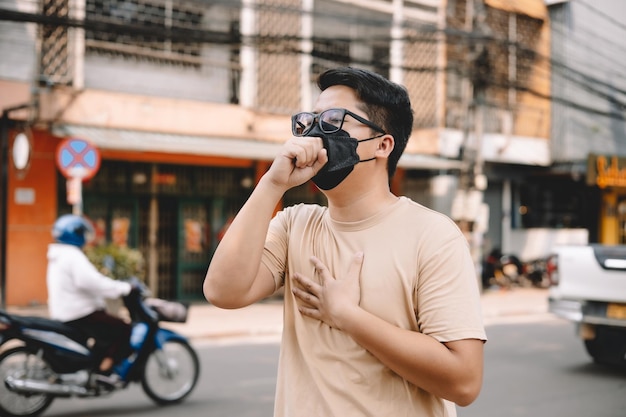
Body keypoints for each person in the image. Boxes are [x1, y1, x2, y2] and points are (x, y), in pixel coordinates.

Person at [203, 67, 487, 416]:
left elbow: (464, 382)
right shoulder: (295, 224)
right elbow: (223, 291)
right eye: (311, 121)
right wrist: (272, 185)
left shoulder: (433, 235)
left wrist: (347, 316)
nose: (316, 134)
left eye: (335, 120)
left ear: (383, 145)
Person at [46, 214, 134, 377]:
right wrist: (122, 288)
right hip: (79, 312)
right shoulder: (72, 255)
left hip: (64, 311)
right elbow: (92, 282)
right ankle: (104, 367)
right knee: (123, 327)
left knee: (104, 332)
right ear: (75, 233)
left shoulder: (57, 254)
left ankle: (94, 366)